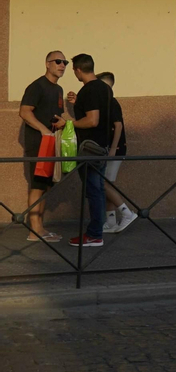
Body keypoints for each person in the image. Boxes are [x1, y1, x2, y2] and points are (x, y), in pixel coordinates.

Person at [18, 51, 68, 242]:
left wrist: (63, 123)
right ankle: (34, 231)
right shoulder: (37, 86)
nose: (62, 65)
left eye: (65, 62)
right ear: (47, 64)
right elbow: (24, 112)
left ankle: (40, 228)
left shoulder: (58, 89)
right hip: (38, 144)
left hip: (52, 143)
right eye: (58, 61)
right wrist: (43, 130)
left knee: (45, 186)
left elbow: (57, 115)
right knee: (37, 186)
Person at [65, 53, 113, 248]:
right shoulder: (104, 88)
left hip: (89, 150)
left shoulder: (89, 90)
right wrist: (78, 103)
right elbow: (99, 115)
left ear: (77, 70)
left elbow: (92, 120)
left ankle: (94, 234)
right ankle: (97, 231)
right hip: (102, 146)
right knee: (98, 189)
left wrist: (70, 123)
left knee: (93, 190)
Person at [97, 72, 135, 235]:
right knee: (107, 184)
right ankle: (111, 222)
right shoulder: (104, 103)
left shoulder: (111, 103)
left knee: (103, 183)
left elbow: (118, 126)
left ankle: (127, 213)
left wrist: (113, 149)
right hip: (111, 149)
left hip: (115, 149)